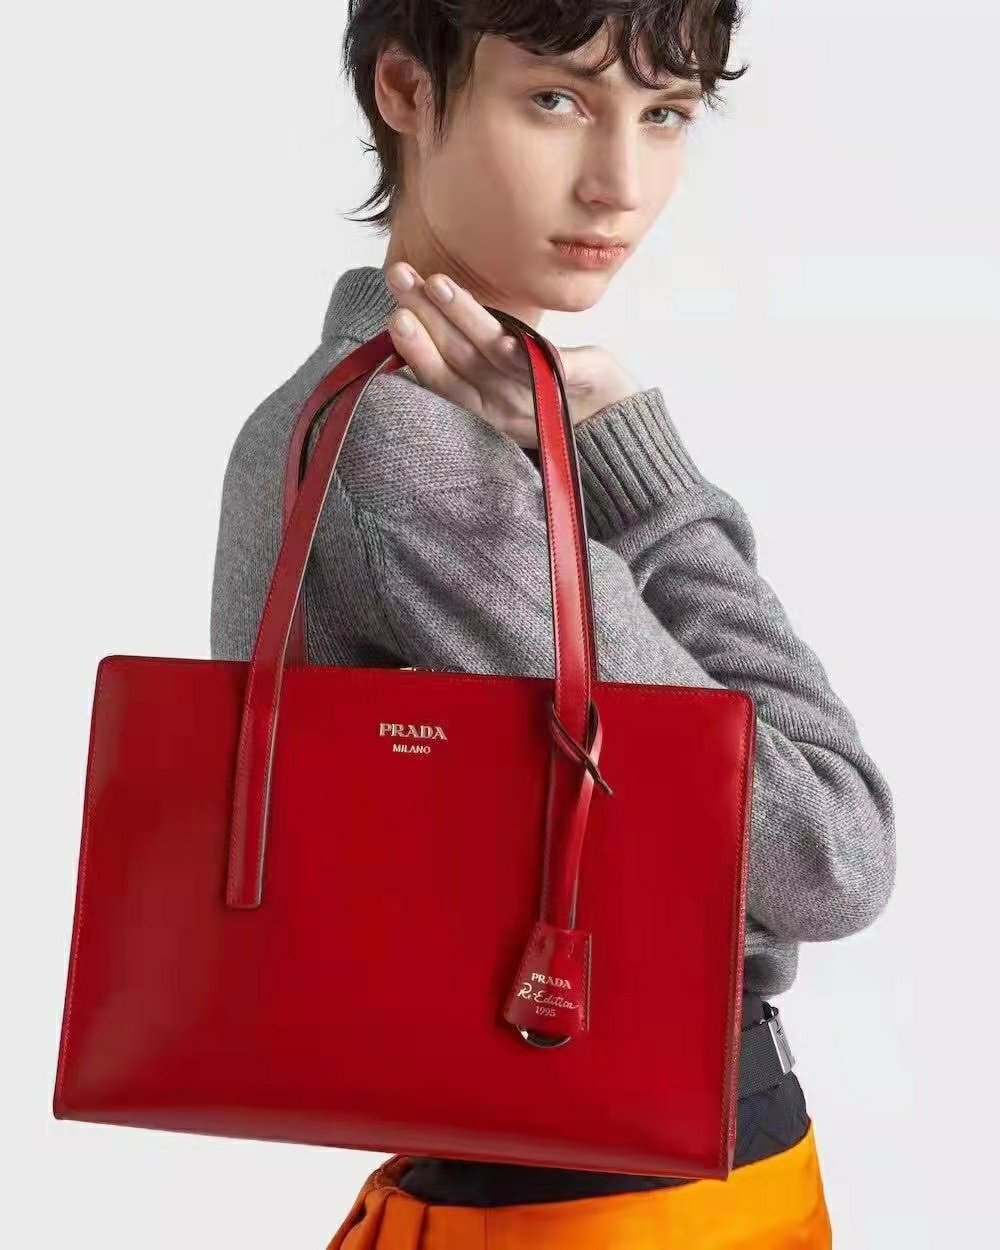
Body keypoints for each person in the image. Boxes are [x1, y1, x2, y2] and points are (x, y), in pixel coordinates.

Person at [210, 2, 896, 1246]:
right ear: (406, 91)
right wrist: (643, 474)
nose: (619, 184)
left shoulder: (327, 417)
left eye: (665, 114)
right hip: (625, 1195)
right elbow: (829, 849)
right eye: (557, 100)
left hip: (547, 1171)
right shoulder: (409, 450)